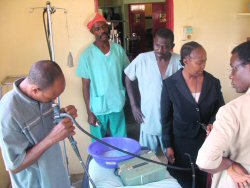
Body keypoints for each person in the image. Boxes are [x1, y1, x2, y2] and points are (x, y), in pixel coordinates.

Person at [0, 60, 77, 188]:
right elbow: (14, 166)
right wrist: (52, 138)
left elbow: (45, 124)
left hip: (57, 177)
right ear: (35, 90)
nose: (54, 101)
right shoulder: (8, 113)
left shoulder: (41, 95)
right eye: (51, 97)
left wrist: (63, 115)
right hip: (35, 183)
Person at [161, 41, 225, 188]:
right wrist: (168, 145)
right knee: (182, 178)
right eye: (200, 62)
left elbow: (220, 109)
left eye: (205, 61)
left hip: (206, 140)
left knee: (204, 176)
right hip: (181, 142)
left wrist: (212, 121)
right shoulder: (170, 84)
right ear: (186, 61)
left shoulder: (213, 82)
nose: (204, 65)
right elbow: (165, 118)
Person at [196, 41, 250, 188]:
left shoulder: (232, 111)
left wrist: (230, 164)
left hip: (239, 182)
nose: (231, 76)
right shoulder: (171, 82)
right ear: (185, 61)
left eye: (234, 68)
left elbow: (205, 161)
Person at [124, 28, 181, 153]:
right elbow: (128, 78)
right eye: (157, 45)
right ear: (153, 42)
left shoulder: (179, 61)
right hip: (148, 117)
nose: (160, 50)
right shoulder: (142, 59)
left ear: (172, 46)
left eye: (165, 47)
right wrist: (133, 106)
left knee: (172, 158)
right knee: (147, 159)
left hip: (172, 119)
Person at [76, 13, 129, 140]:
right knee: (98, 143)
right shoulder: (87, 55)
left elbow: (127, 73)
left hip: (117, 103)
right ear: (92, 32)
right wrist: (89, 112)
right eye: (97, 29)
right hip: (98, 108)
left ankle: (120, 160)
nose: (102, 31)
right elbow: (85, 86)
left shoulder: (118, 50)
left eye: (104, 27)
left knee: (121, 140)